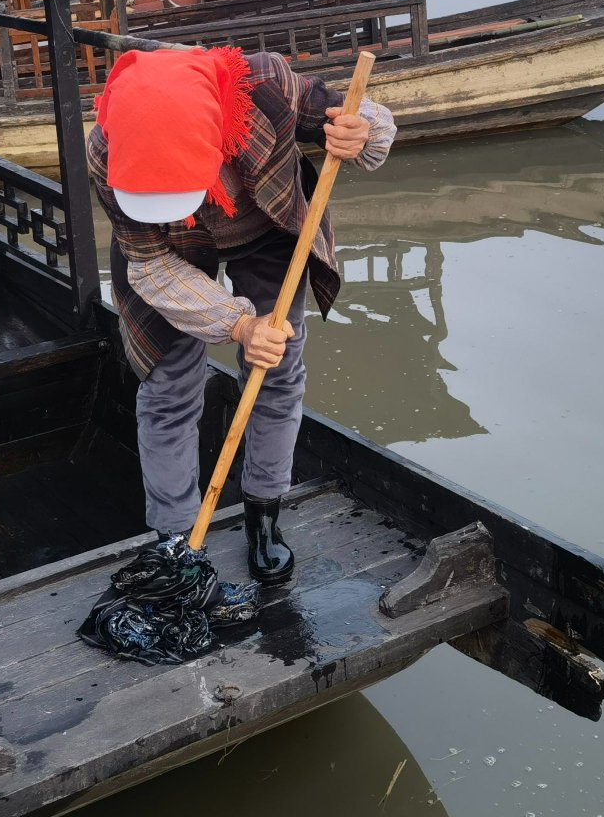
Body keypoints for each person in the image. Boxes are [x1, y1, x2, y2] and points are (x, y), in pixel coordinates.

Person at [89, 45, 394, 583]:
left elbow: (356, 108)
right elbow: (151, 266)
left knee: (276, 366)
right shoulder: (105, 147)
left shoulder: (265, 88)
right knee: (167, 386)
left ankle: (264, 512)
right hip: (166, 253)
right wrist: (236, 324)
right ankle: (176, 538)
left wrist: (363, 128)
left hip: (264, 228)